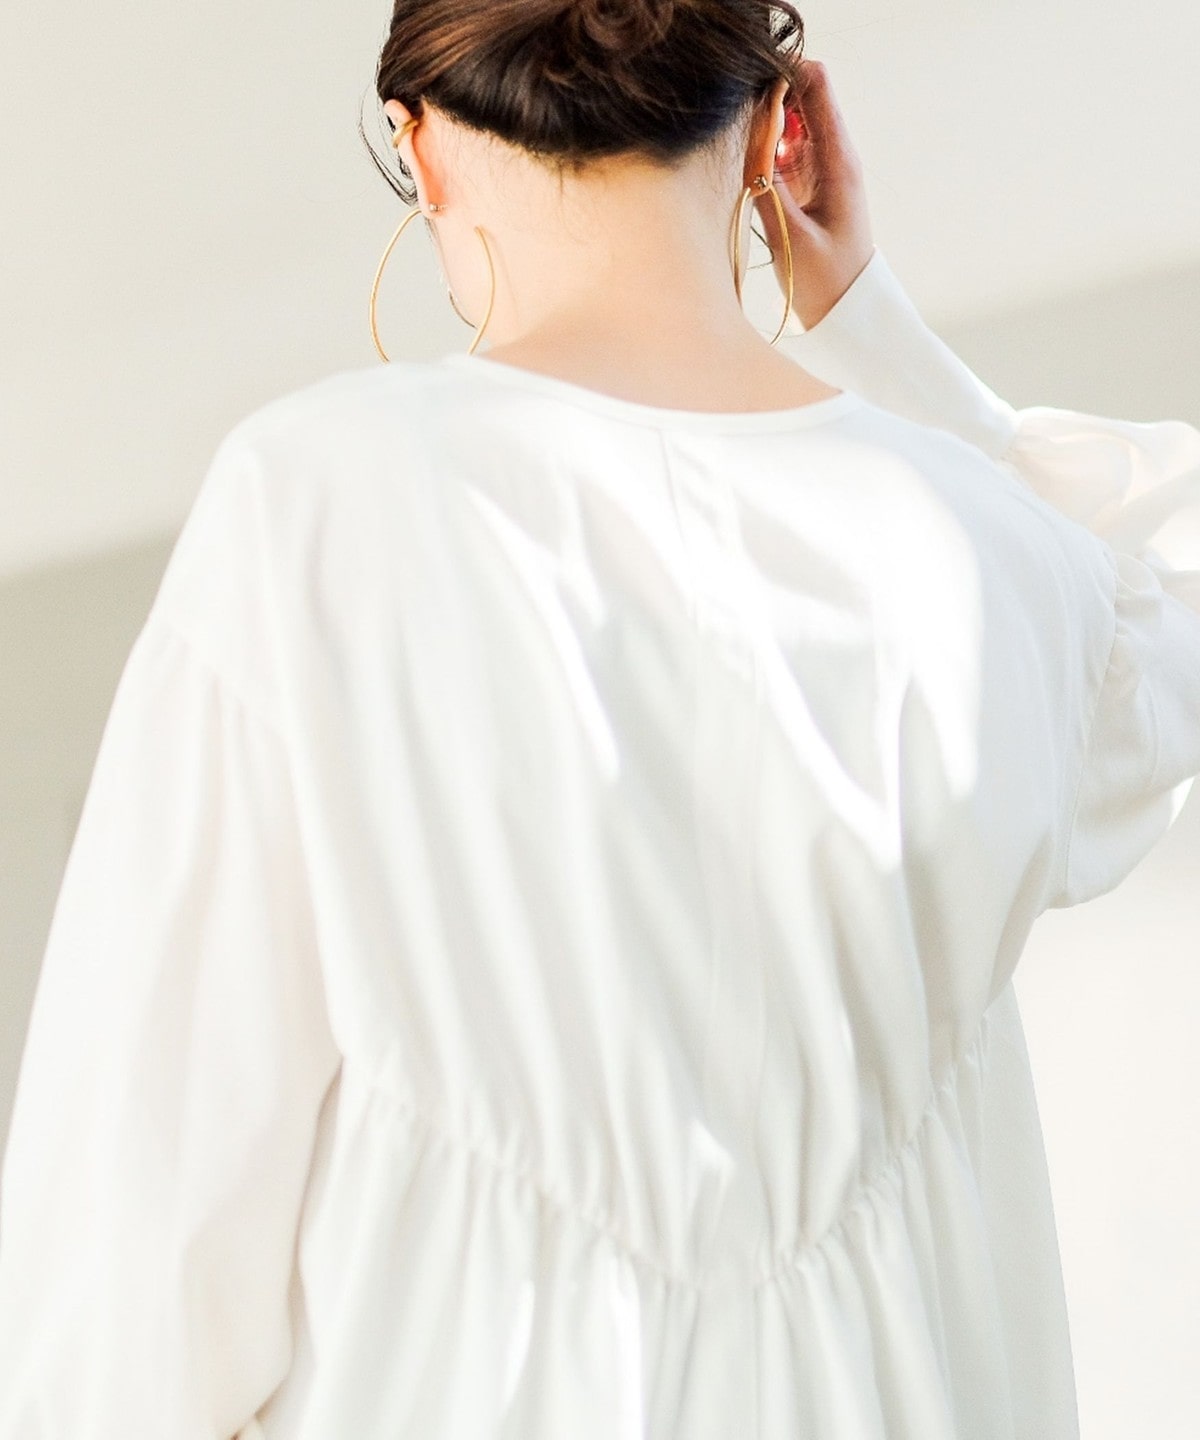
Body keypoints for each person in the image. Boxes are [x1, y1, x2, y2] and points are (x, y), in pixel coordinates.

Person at [1, 1, 1198, 1436]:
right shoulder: (983, 552)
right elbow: (1164, 598)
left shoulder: (316, 504)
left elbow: (137, 1245)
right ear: (777, 134)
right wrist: (878, 337)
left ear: (420, 150)